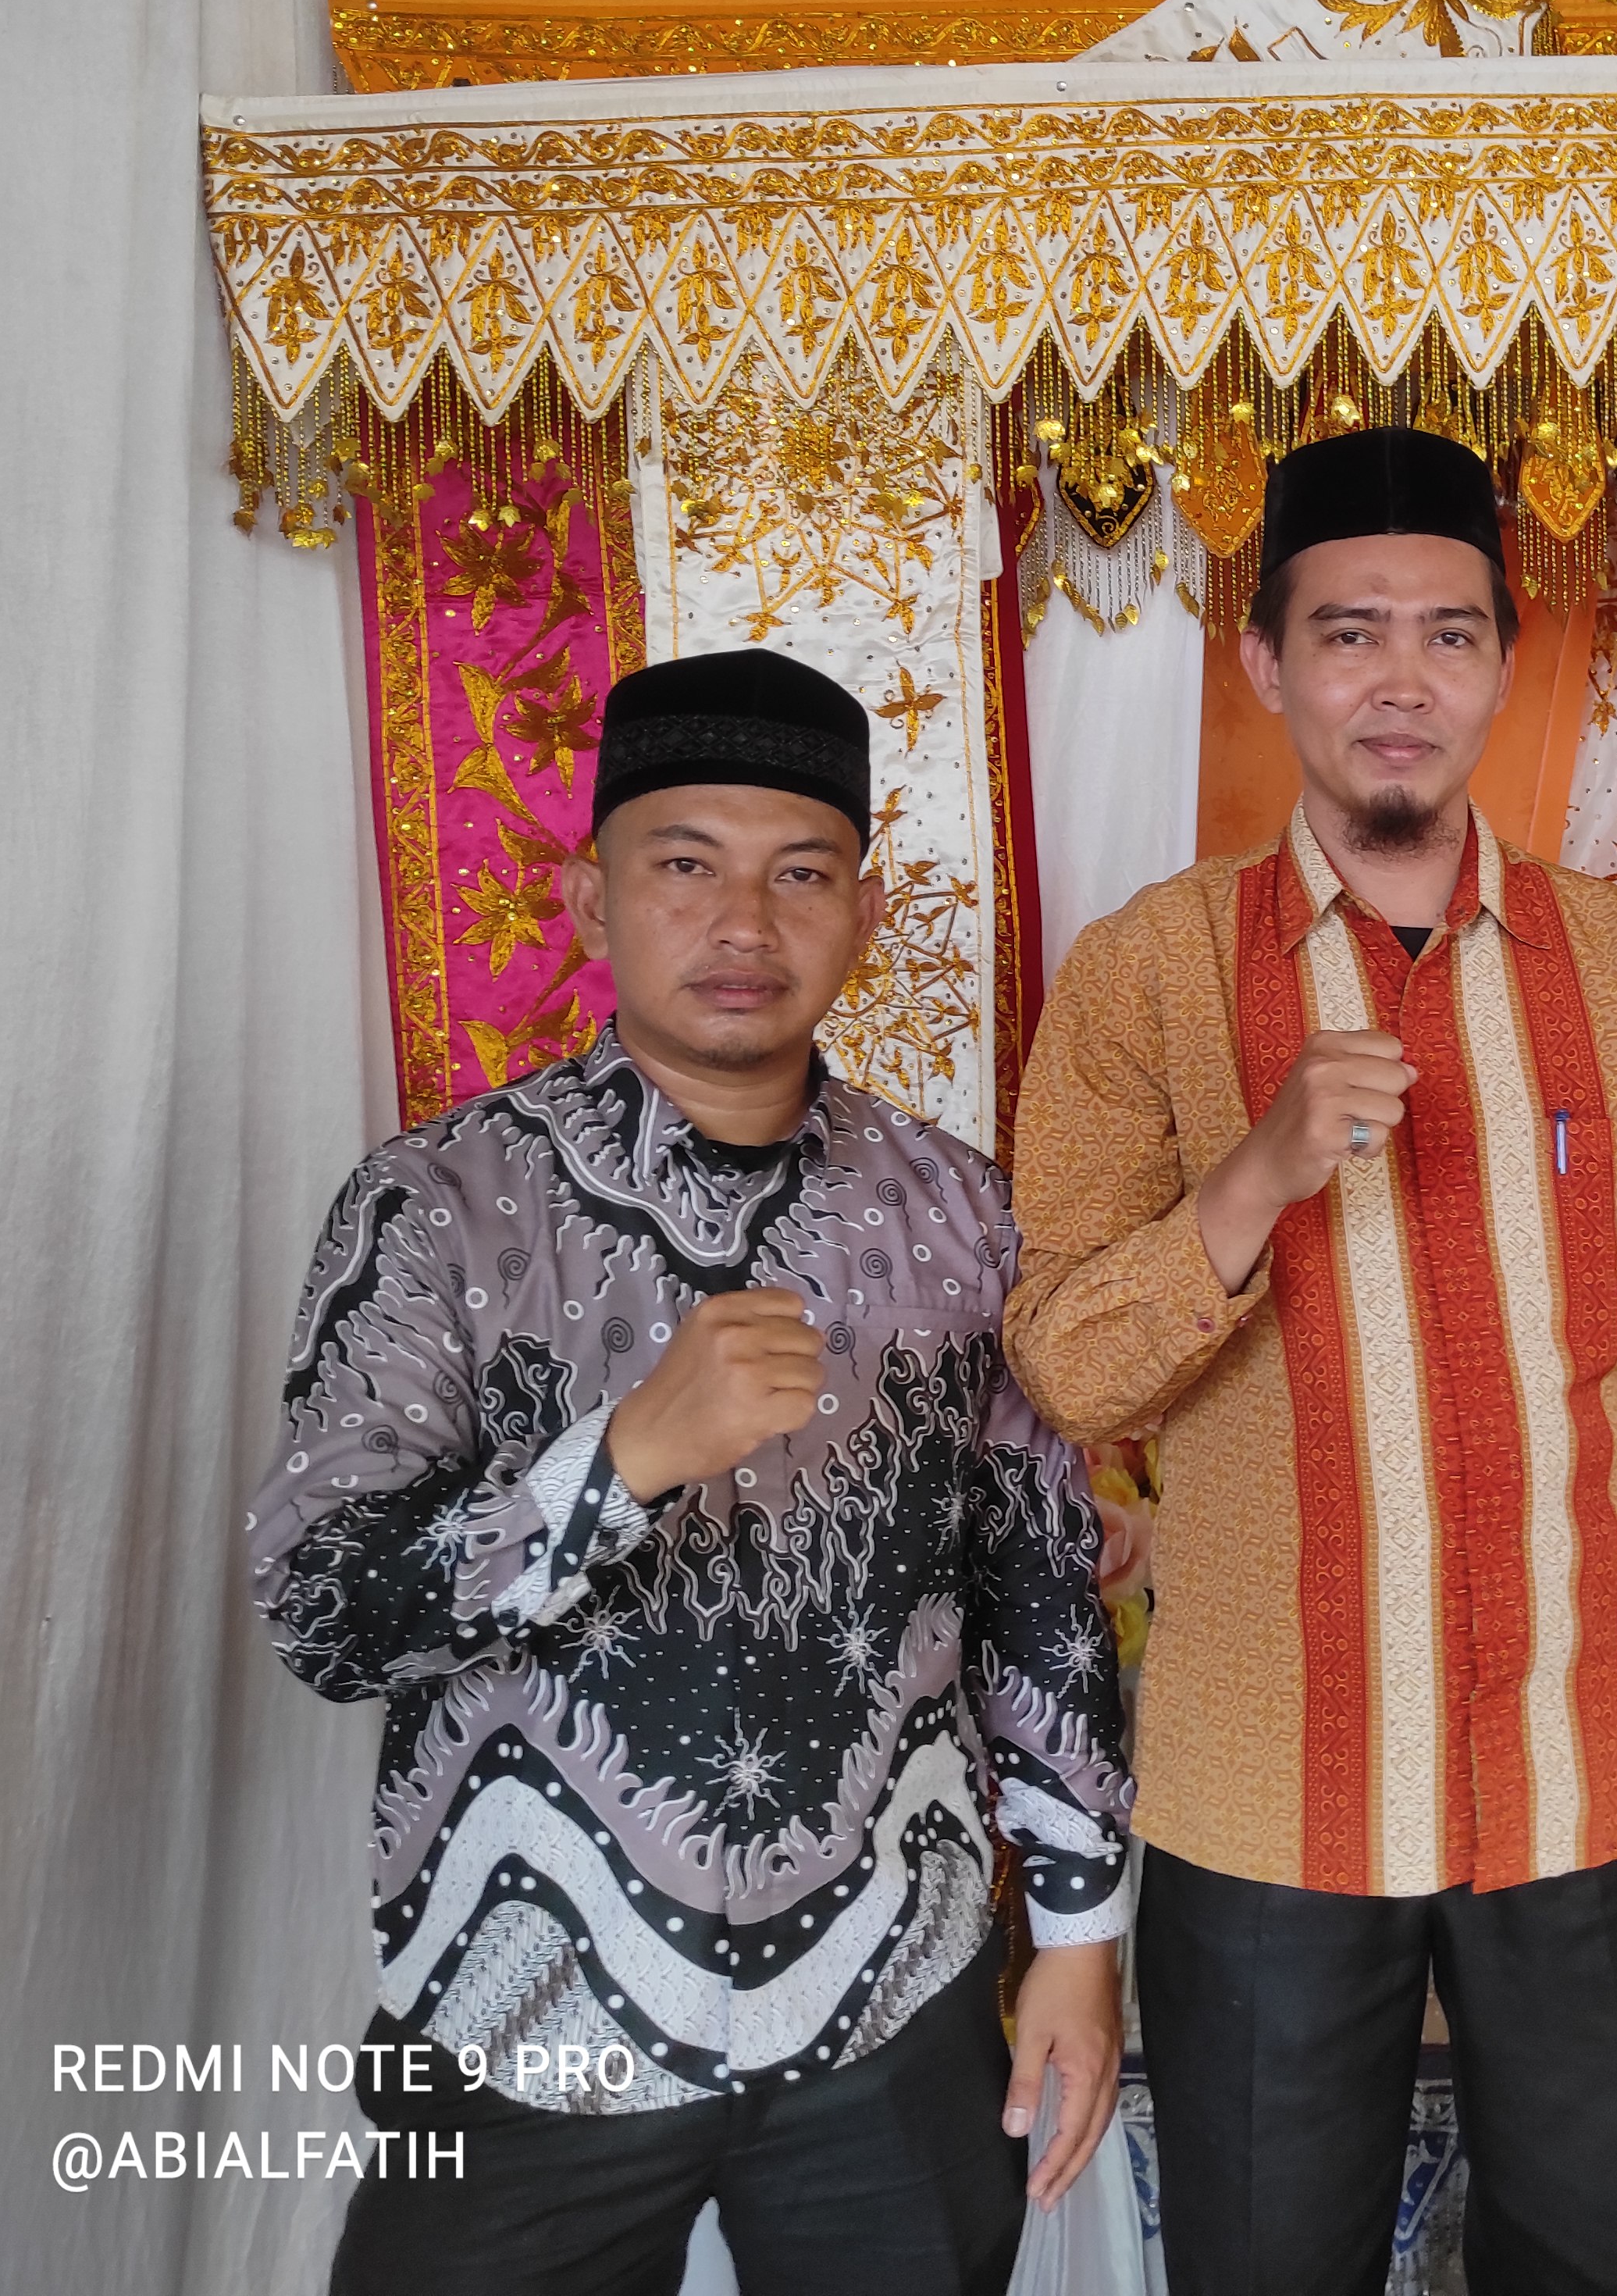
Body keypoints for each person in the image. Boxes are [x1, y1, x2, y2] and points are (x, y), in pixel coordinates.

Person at [1000, 426, 1617, 2296]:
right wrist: (1253, 1176)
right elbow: (1067, 1368)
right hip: (1266, 1792)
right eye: (1348, 632)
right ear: (1265, 664)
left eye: (1447, 632)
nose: (1400, 679)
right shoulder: (1145, 974)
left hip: (1588, 1772)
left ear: (1503, 662)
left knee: (1602, 2265)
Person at [249, 649, 1134, 2296]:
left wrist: (1082, 1937)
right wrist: (621, 1459)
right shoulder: (438, 1205)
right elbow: (324, 1610)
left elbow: (1035, 1587)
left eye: (801, 873)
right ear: (590, 899)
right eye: (685, 864)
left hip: (896, 1994)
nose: (744, 921)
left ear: (864, 913)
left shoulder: (959, 1212)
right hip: (524, 2005)